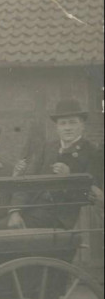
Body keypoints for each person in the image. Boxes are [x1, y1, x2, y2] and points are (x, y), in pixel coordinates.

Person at [12, 98, 104, 229]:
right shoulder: (47, 148)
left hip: (63, 219)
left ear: (82, 125)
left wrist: (69, 178)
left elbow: (92, 195)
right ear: (57, 127)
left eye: (72, 123)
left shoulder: (92, 153)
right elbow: (27, 180)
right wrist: (15, 211)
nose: (67, 128)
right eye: (63, 123)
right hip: (32, 210)